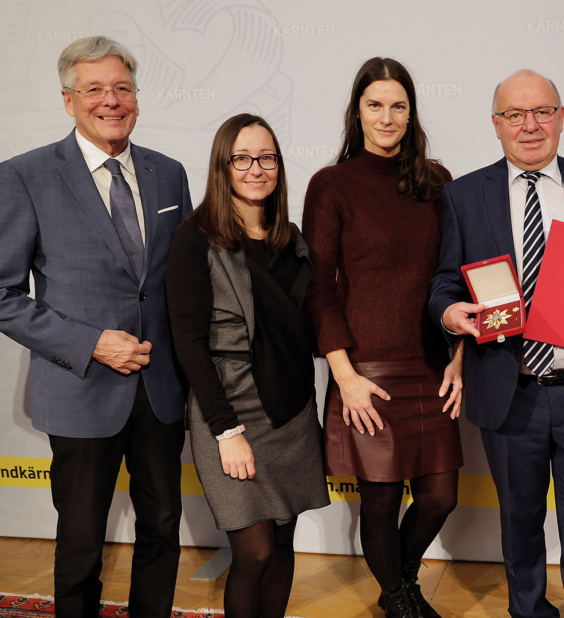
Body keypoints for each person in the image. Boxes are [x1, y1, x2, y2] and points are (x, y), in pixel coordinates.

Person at [0, 36, 190, 618]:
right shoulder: (25, 175)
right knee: (81, 538)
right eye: (94, 89)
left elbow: (180, 283)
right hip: (80, 389)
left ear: (137, 97)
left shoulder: (169, 173)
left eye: (122, 88)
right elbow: (3, 295)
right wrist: (91, 344)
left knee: (162, 526)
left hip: (160, 391)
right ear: (68, 100)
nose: (111, 100)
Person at [428, 69, 564, 618]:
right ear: (496, 125)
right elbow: (445, 280)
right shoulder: (464, 195)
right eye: (514, 114)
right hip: (509, 391)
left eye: (542, 111)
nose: (529, 125)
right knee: (519, 529)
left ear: (562, 118)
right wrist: (449, 312)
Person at [303, 57, 463, 618]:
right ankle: (399, 598)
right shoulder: (331, 185)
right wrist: (344, 378)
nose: (387, 116)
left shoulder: (437, 181)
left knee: (441, 495)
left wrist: (459, 359)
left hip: (430, 363)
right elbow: (319, 290)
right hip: (364, 372)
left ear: (411, 112)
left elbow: (458, 277)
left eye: (398, 105)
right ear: (358, 112)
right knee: (380, 500)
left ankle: (401, 577)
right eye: (375, 105)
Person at [166, 113, 330, 617]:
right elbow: (189, 345)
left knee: (282, 544)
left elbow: (312, 323)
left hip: (292, 409)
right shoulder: (196, 237)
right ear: (223, 165)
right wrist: (226, 429)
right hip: (230, 407)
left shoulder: (291, 240)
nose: (256, 169)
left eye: (267, 158)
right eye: (242, 158)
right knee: (254, 553)